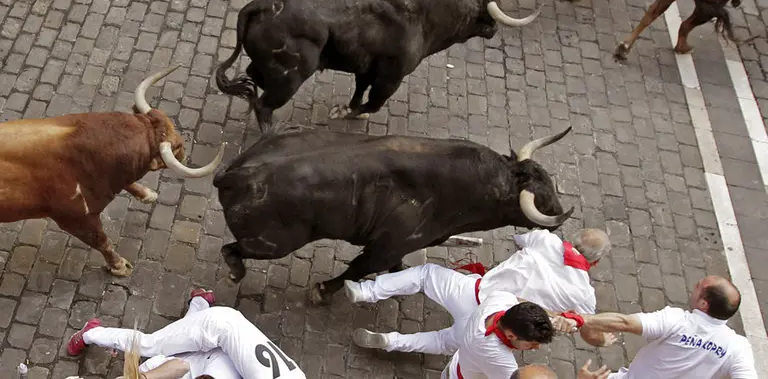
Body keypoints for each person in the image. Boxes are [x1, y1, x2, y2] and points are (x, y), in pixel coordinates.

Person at [345, 227, 613, 354]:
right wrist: (604, 340)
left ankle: (366, 291)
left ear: (574, 239)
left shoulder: (545, 240)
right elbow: (588, 329)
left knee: (426, 275)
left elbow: (519, 239)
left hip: (474, 292)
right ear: (596, 262)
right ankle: (391, 342)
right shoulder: (584, 295)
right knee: (442, 341)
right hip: (496, 326)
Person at [67, 288, 305, 379]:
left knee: (183, 344)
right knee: (150, 345)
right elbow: (180, 365)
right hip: (216, 329)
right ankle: (92, 332)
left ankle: (200, 301)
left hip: (220, 355)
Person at [561, 275, 758, 378]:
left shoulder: (678, 320)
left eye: (699, 286)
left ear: (704, 304)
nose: (694, 287)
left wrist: (580, 319)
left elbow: (625, 323)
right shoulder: (738, 348)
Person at [440, 291, 557, 379]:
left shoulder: (502, 299)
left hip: (460, 363)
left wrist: (552, 319)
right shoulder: (497, 358)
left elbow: (521, 303)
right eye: (531, 344)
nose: (537, 348)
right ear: (510, 336)